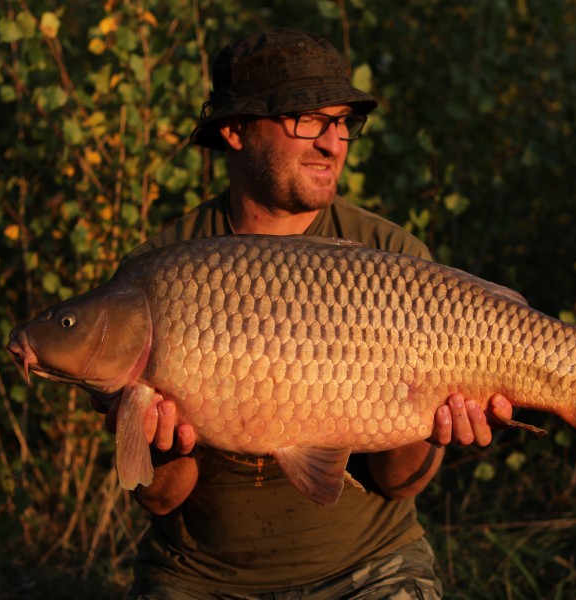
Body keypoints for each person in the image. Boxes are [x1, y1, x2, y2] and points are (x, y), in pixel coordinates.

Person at [95, 28, 513, 599]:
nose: (333, 143)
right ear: (234, 130)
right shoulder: (156, 273)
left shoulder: (396, 259)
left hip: (369, 568)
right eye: (307, 120)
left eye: (341, 121)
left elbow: (398, 483)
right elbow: (164, 497)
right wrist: (161, 442)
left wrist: (434, 427)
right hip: (202, 578)